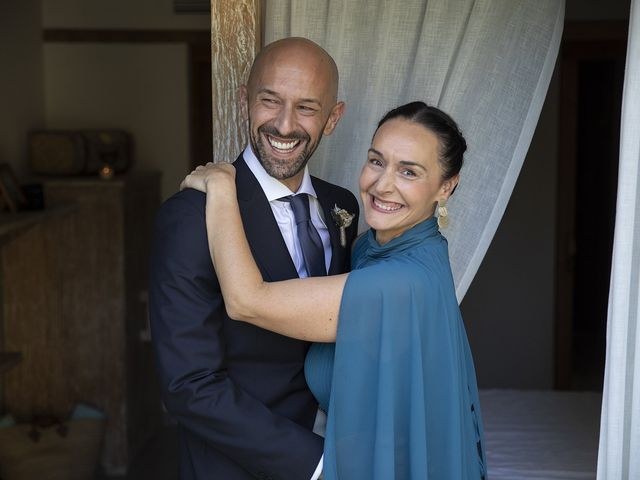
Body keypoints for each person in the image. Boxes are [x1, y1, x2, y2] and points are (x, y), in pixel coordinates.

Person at [182, 101, 488, 479]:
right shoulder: (381, 248)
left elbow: (247, 301)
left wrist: (222, 185)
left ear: (446, 186)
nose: (382, 184)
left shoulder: (398, 283)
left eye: (408, 171)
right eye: (377, 161)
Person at [149, 37, 359, 480]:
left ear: (333, 118)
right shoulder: (191, 217)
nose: (284, 125)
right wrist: (316, 463)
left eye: (306, 107)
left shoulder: (344, 207)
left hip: (341, 448)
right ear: (244, 101)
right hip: (234, 467)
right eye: (269, 101)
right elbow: (188, 385)